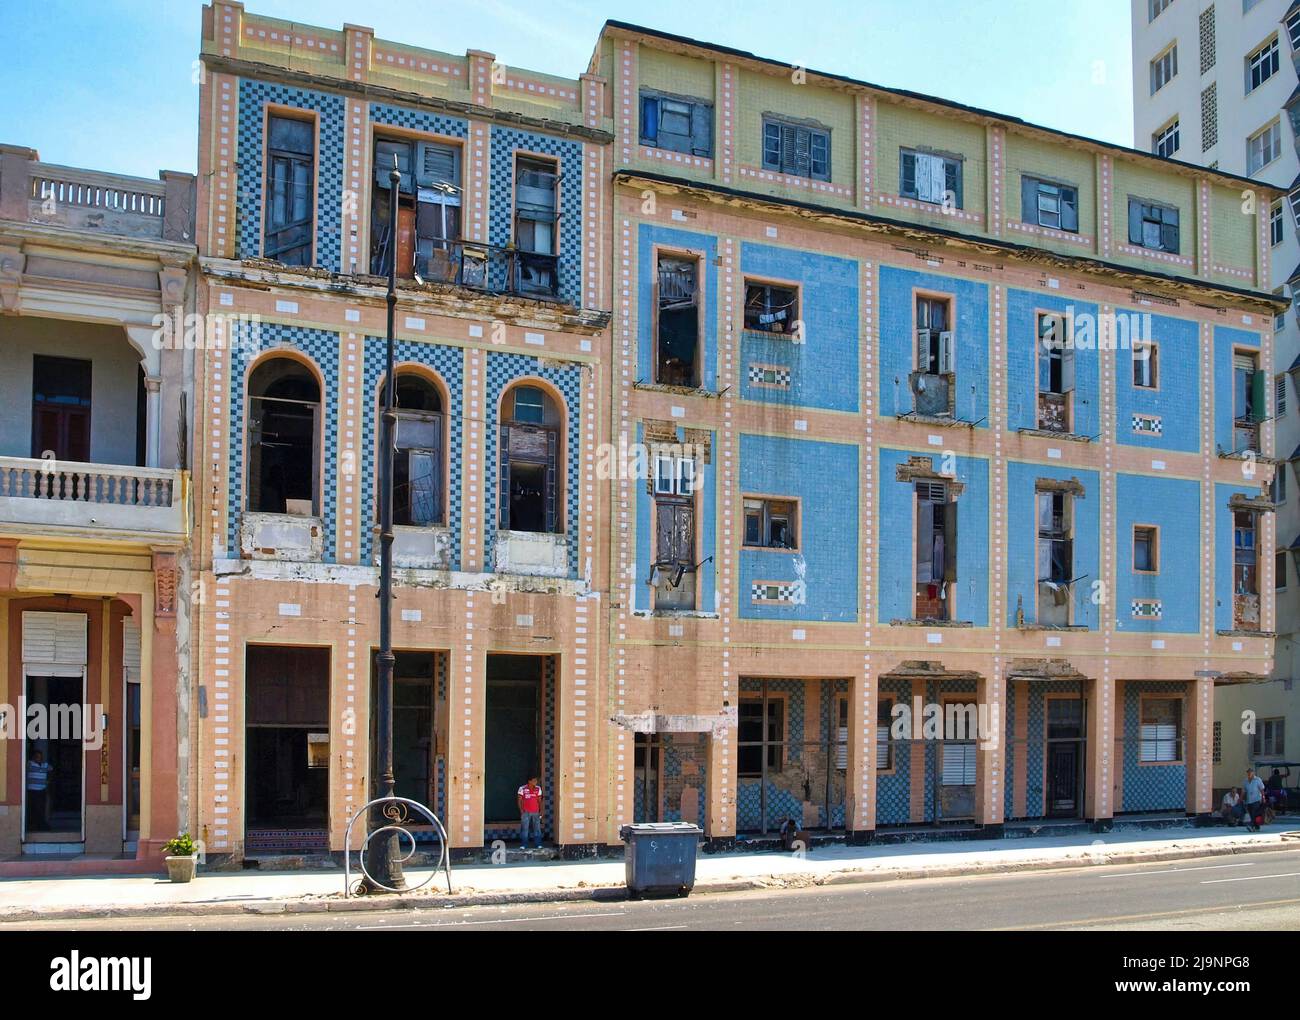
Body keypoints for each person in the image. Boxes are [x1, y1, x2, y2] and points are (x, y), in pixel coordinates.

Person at [26, 749, 52, 832]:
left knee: (41, 809)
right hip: (32, 791)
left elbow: (52, 771)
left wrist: (48, 781)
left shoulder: (45, 765)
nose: (39, 758)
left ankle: (41, 825)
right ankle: (34, 826)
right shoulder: (30, 764)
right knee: (34, 809)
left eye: (40, 757)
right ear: (33, 757)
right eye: (37, 756)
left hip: (42, 790)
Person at [517, 774, 543, 850]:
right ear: (529, 781)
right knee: (525, 829)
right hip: (525, 812)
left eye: (536, 780)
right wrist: (521, 810)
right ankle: (523, 845)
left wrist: (541, 810)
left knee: (537, 828)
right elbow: (519, 800)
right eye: (534, 780)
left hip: (536, 812)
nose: (536, 782)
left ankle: (538, 844)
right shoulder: (522, 788)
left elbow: (539, 801)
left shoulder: (538, 788)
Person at [1243, 768, 1266, 832]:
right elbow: (1244, 791)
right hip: (1249, 801)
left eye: (1250, 772)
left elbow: (1262, 789)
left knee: (1254, 813)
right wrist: (1240, 799)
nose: (1249, 773)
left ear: (1253, 773)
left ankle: (1251, 825)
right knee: (1252, 814)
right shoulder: (1245, 781)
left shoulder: (1258, 780)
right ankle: (1257, 827)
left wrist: (1263, 798)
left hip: (1256, 800)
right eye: (1248, 772)